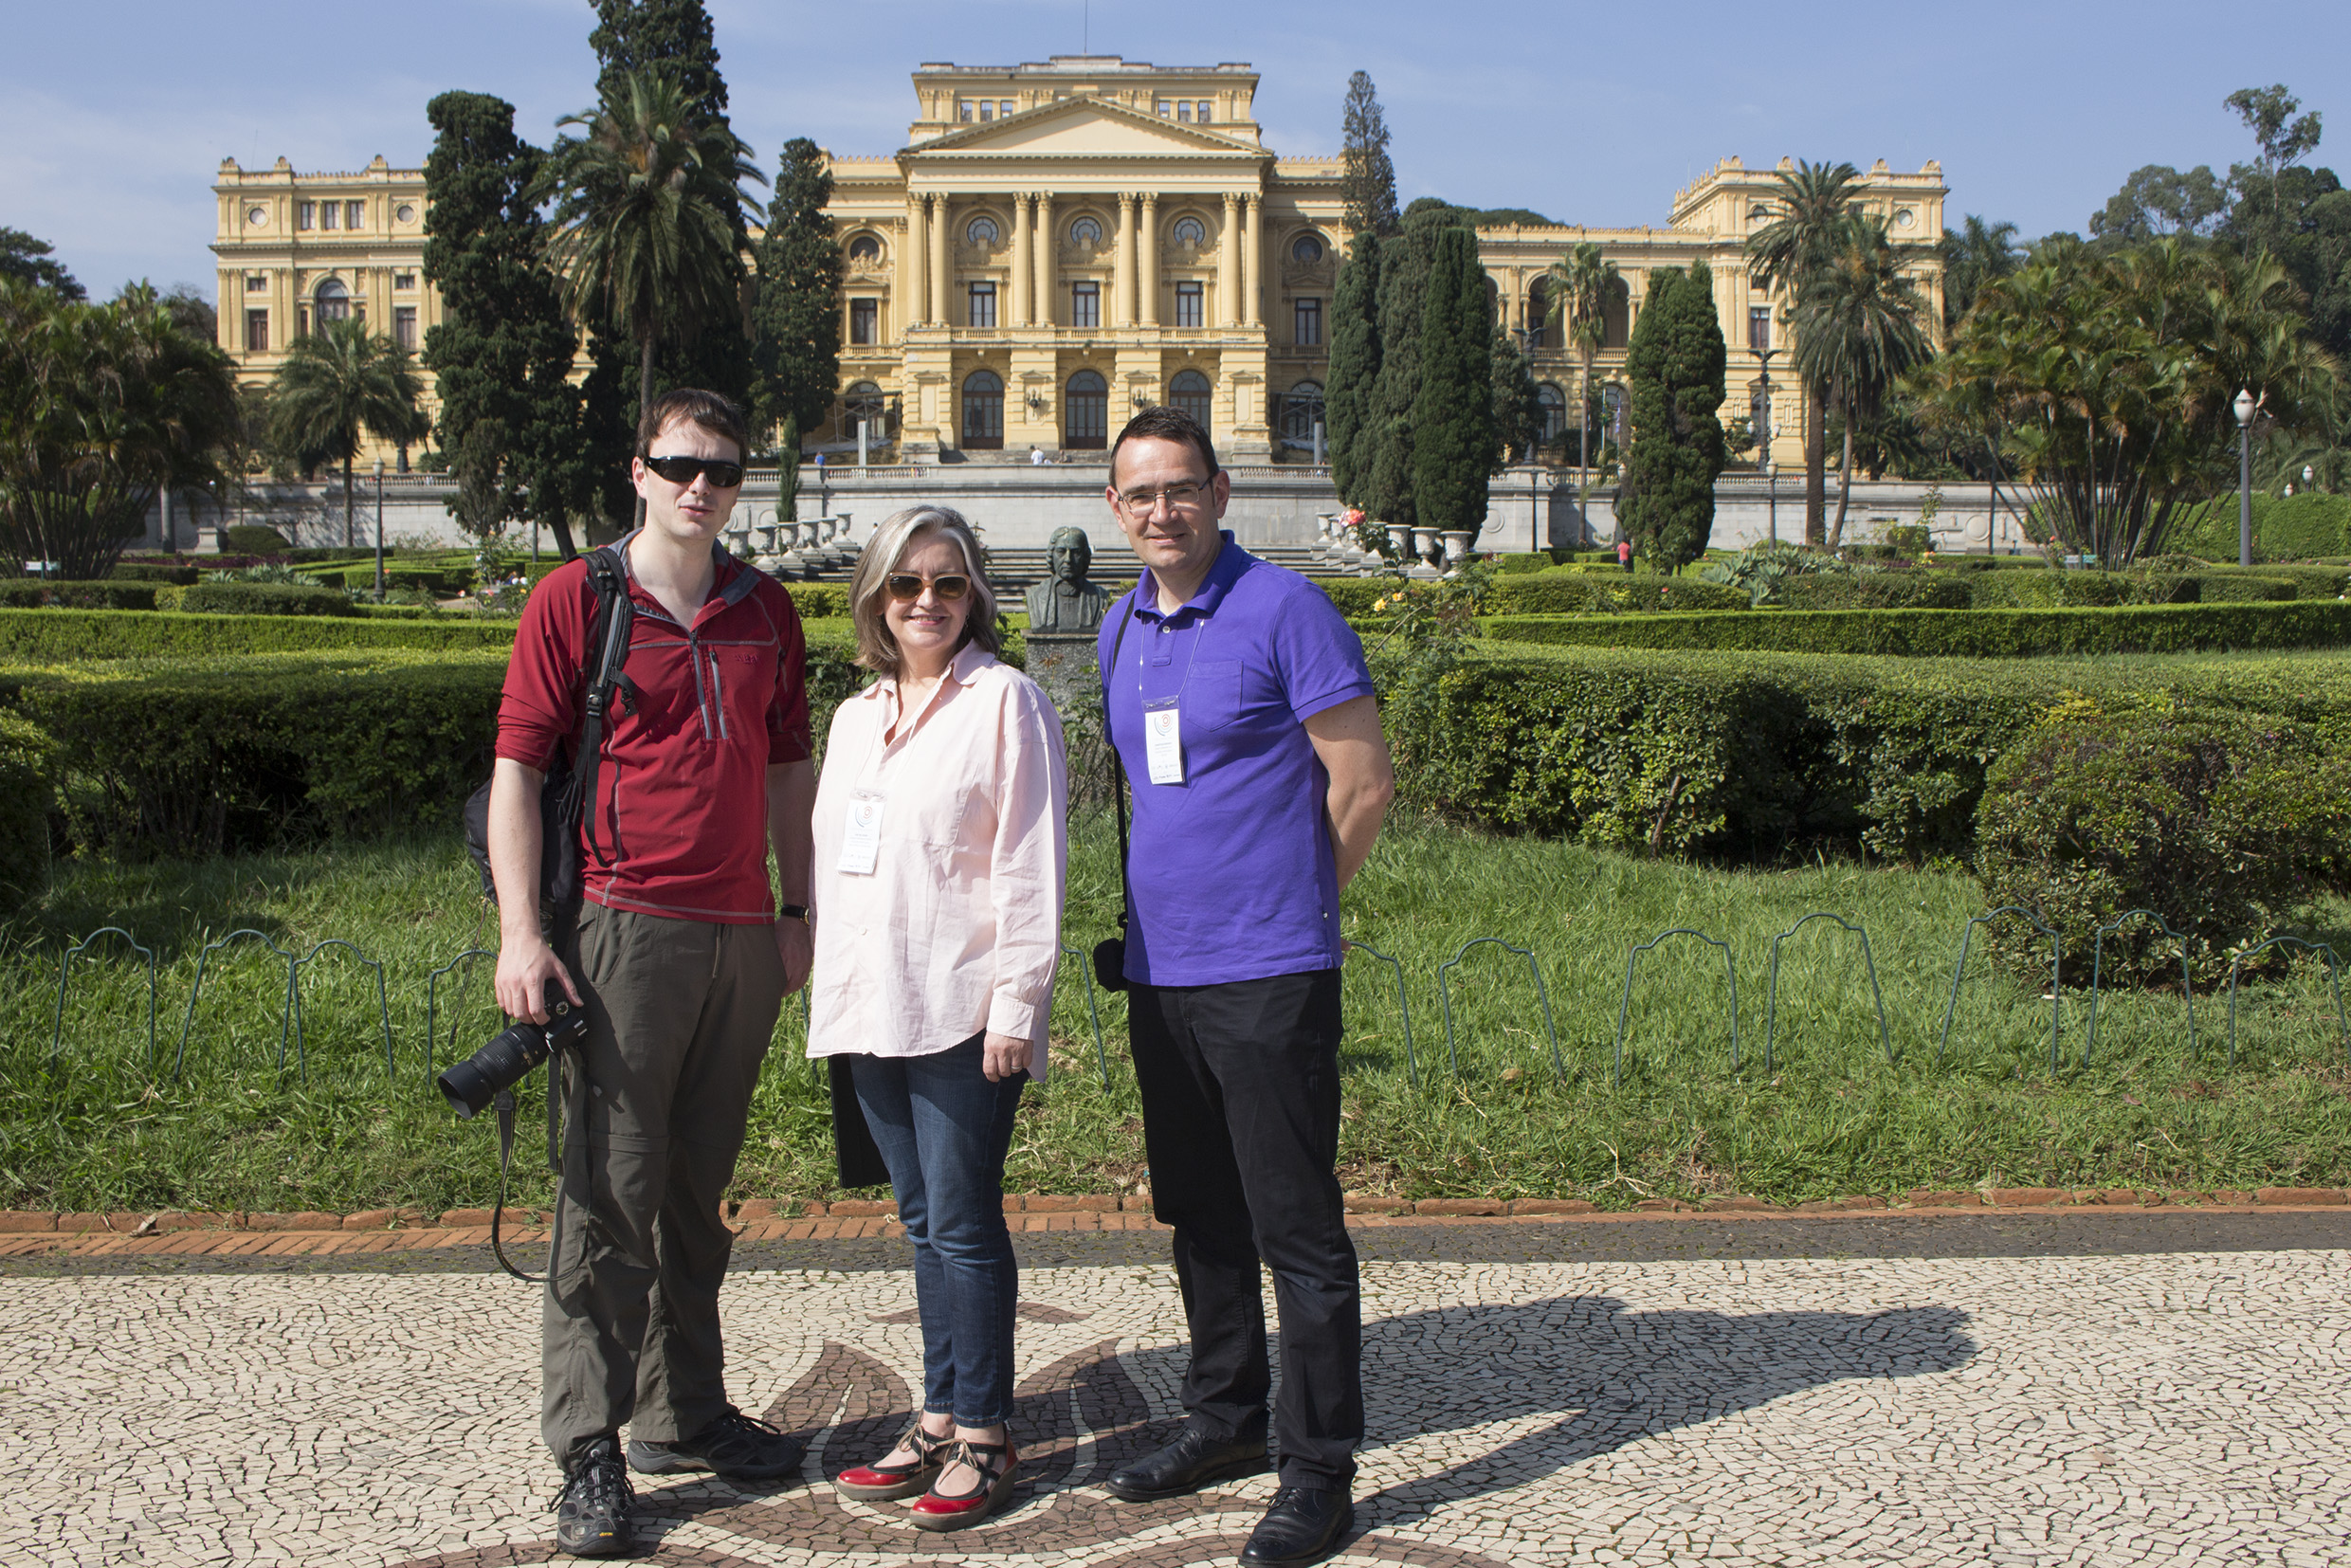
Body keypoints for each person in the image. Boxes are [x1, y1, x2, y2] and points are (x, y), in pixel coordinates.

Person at [489, 388, 816, 1559]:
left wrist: (796, 908)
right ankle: (588, 1442)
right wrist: (523, 935)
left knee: (695, 1186)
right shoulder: (577, 599)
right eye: (681, 464)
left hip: (738, 932)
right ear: (639, 469)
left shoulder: (762, 607)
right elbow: (519, 772)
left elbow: (788, 769)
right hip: (623, 927)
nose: (701, 486)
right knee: (609, 1192)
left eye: (723, 470)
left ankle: (682, 1411)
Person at [1094, 405, 1394, 1567]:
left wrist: (1289, 910)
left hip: (1268, 971)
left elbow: (1359, 783)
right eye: (1140, 494)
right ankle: (1223, 1422)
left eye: (1181, 488)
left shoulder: (1284, 608)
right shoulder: (1121, 624)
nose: (1161, 510)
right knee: (1200, 1217)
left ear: (1219, 494)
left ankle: (1318, 1468)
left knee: (1295, 1228)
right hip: (1161, 972)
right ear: (1113, 511)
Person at [808, 505, 1068, 1532]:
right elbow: (838, 863)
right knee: (921, 1222)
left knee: (962, 1226)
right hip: (872, 1004)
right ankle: (937, 1413)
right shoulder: (852, 716)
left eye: (947, 583)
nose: (926, 601)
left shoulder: (1003, 700)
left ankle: (987, 1432)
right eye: (906, 584)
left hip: (961, 1005)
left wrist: (1018, 1003)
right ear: (875, 596)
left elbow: (1029, 862)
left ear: (975, 596)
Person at [1023, 525, 1110, 633]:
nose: (1068, 559)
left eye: (1076, 552)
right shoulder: (1036, 595)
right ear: (1051, 555)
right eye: (1061, 551)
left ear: (1085, 556)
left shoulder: (1100, 596)